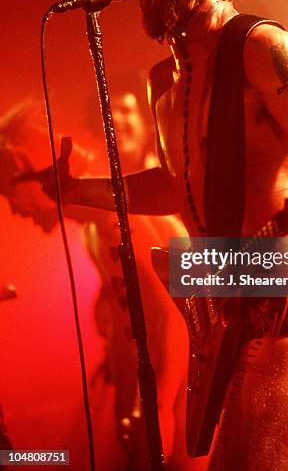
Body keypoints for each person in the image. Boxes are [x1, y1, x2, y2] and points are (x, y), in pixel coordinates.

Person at [23, 0, 288, 469]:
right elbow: (178, 186)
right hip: (216, 300)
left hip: (284, 294)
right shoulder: (166, 78)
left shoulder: (264, 49)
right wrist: (77, 191)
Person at [1, 97, 199, 470]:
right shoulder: (94, 226)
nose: (12, 209)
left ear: (26, 167)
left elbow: (171, 321)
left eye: (7, 192)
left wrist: (158, 410)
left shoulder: (107, 221)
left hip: (186, 402)